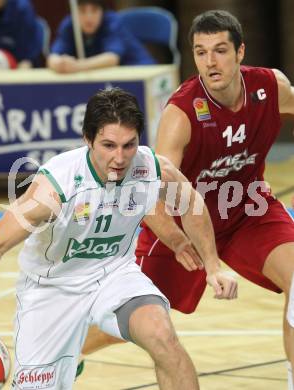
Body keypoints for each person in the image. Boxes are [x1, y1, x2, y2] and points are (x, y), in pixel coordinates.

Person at [0, 87, 237, 389]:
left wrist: (212, 264)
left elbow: (191, 202)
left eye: (129, 145)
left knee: (163, 337)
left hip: (114, 275)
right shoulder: (54, 188)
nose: (120, 158)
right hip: (51, 289)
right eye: (108, 145)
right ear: (88, 140)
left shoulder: (150, 167)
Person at [80, 8, 294, 388]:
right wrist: (177, 240)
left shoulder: (269, 87)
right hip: (182, 224)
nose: (210, 62)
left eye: (220, 50)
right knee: (133, 320)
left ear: (241, 52)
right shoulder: (182, 113)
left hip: (248, 210)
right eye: (200, 52)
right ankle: (71, 348)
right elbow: (151, 193)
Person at [47, 0, 155, 74]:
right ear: (74, 12)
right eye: (82, 11)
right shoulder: (69, 24)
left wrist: (77, 66)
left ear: (102, 11)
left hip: (138, 71)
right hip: (105, 79)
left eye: (94, 10)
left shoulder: (113, 22)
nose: (88, 17)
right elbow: (53, 57)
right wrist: (60, 64)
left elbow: (112, 58)